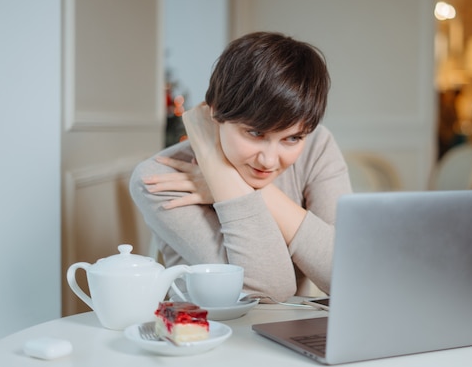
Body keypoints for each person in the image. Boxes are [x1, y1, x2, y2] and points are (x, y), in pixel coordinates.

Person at [129, 32, 352, 302]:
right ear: (214, 113)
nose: (269, 160)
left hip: (293, 334)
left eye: (292, 138)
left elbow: (350, 277)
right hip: (208, 336)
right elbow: (268, 292)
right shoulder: (160, 178)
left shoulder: (317, 147)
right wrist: (221, 172)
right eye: (255, 133)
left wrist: (229, 182)